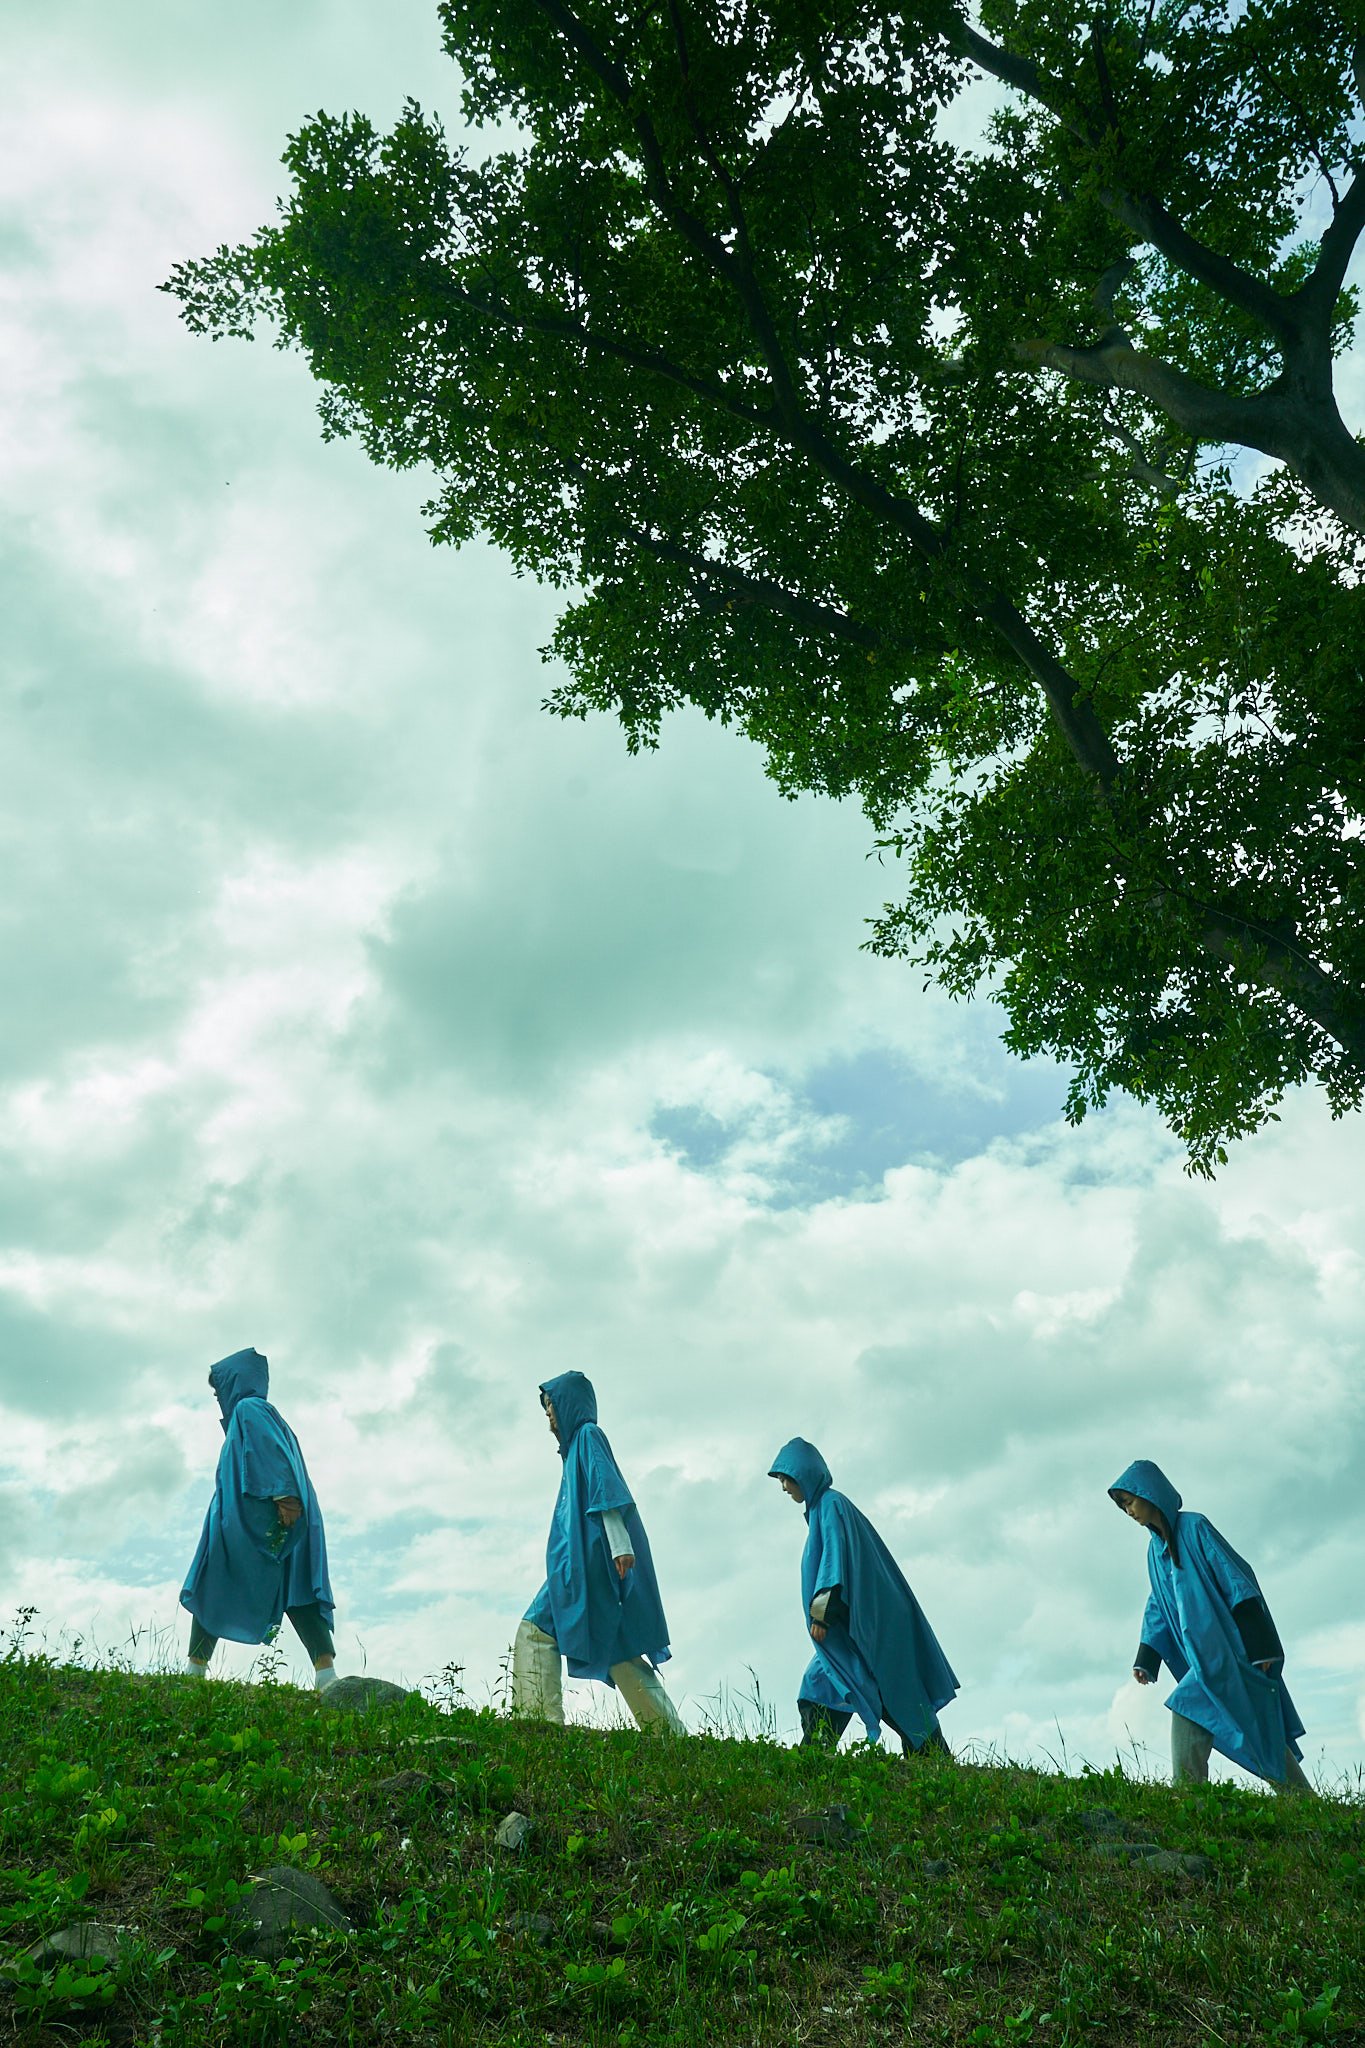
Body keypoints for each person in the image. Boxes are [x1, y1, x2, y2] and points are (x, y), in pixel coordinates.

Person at [1109, 1459, 1313, 1792]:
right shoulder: (1154, 1551)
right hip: (1203, 1662)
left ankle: (1189, 1798)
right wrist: (1147, 1657)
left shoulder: (1195, 1528)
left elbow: (1236, 1579)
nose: (1128, 1511)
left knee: (1205, 1713)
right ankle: (1306, 1805)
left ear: (1150, 1494)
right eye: (1123, 1507)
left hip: (1231, 1654)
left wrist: (1261, 1646)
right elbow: (1158, 1605)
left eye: (1130, 1502)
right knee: (1255, 1730)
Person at [513, 1371, 683, 1731]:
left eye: (551, 1408)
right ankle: (668, 1732)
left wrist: (621, 1546)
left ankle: (537, 1721)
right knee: (619, 1647)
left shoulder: (588, 1436)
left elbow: (607, 1491)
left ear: (569, 1404)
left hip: (589, 1563)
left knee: (535, 1628)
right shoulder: (575, 1450)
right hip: (588, 1562)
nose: (549, 1419)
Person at [769, 1437, 957, 1755]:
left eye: (788, 1478)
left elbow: (834, 1565)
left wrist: (821, 1615)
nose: (785, 1487)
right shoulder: (822, 1509)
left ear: (806, 1476)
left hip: (869, 1626)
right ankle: (815, 1752)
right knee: (824, 1680)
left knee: (893, 1688)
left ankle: (933, 1757)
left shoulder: (830, 1506)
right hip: (856, 1625)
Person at [180, 1347, 338, 1690]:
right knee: (297, 1590)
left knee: (215, 1579)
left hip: (263, 1521)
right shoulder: (257, 1413)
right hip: (274, 1519)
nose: (216, 1395)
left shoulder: (249, 1409)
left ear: (234, 1381)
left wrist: (285, 1498)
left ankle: (195, 1669)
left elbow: (269, 1453)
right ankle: (326, 1674)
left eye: (218, 1386)